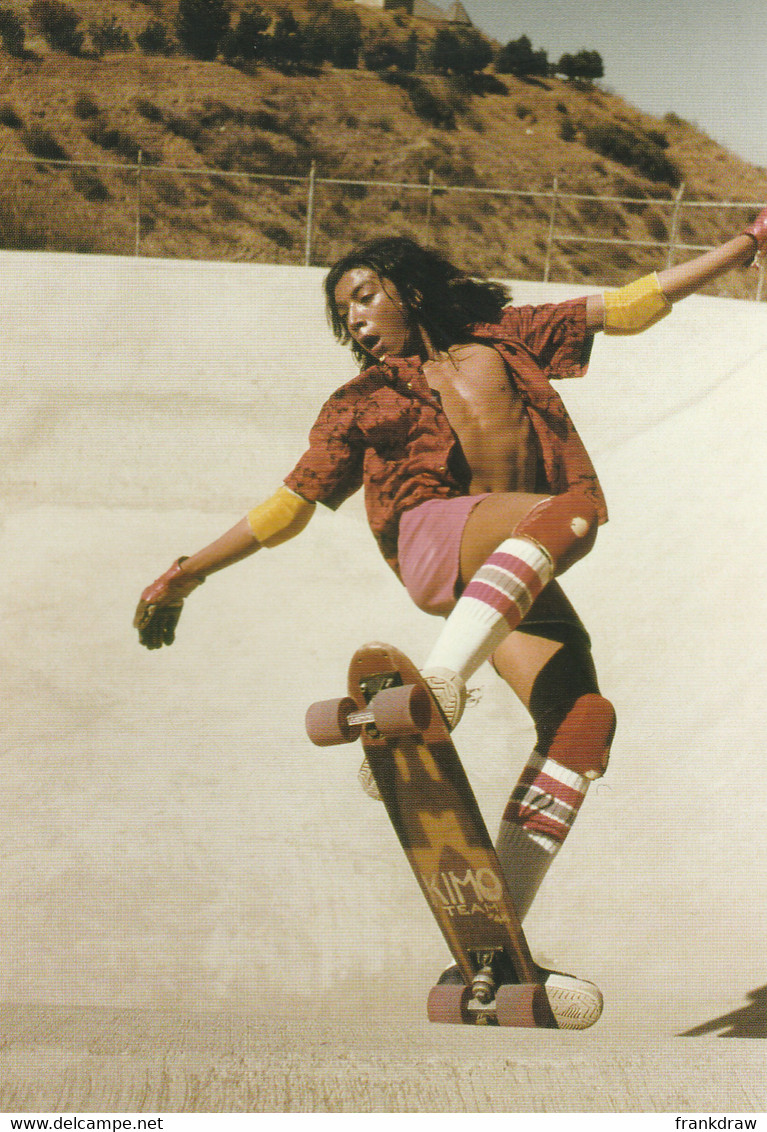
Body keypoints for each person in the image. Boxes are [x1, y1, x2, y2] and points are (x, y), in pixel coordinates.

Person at [134, 208, 766, 1023]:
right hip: (435, 539)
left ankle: (493, 945)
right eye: (342, 314)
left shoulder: (510, 336)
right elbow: (288, 508)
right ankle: (438, 682)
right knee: (569, 511)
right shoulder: (360, 399)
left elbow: (633, 303)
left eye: (362, 296)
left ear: (407, 287)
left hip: (513, 563)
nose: (353, 318)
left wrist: (748, 244)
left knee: (582, 722)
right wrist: (187, 574)